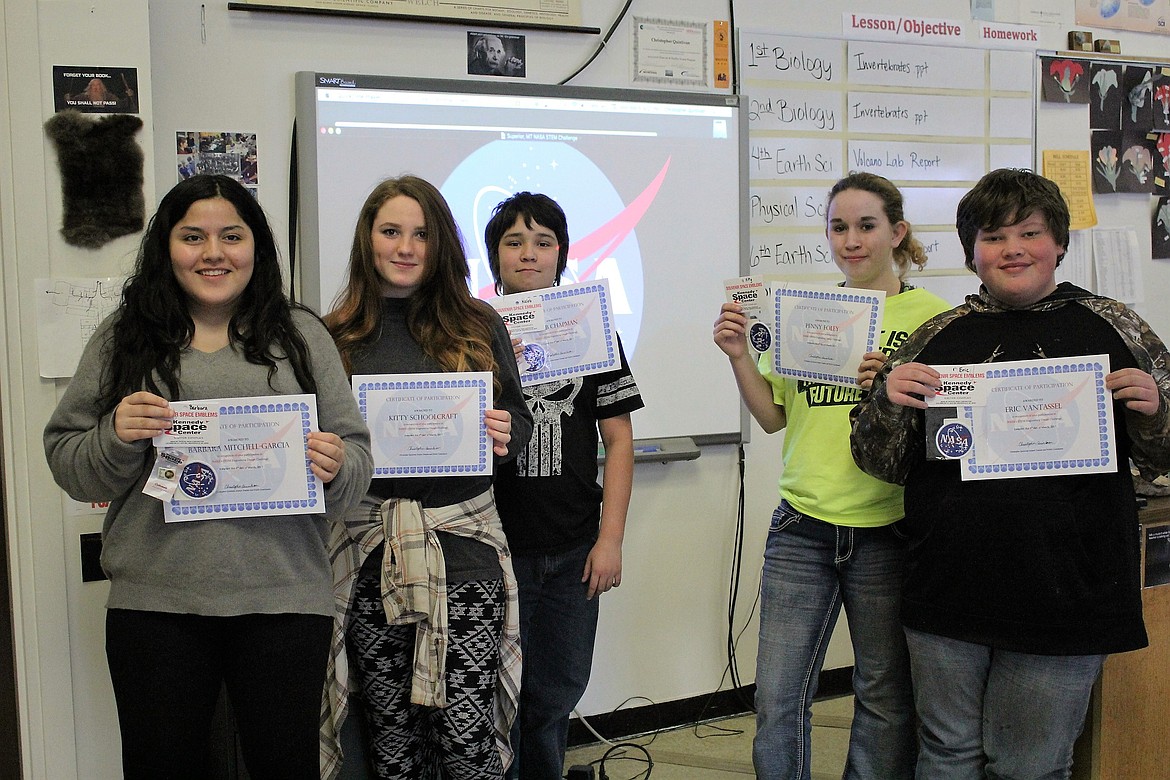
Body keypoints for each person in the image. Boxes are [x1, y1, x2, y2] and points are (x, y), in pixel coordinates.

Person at [42, 174, 373, 780]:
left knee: (285, 767)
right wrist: (116, 435)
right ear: (166, 246)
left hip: (284, 600)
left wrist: (335, 465)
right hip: (157, 606)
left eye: (232, 236)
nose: (213, 253)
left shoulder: (302, 336)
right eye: (193, 236)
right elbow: (67, 460)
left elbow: (356, 457)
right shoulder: (123, 339)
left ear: (258, 247)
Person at [850, 168, 1170, 780]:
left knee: (1029, 765)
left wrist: (1154, 413)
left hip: (1067, 590)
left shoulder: (1116, 327)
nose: (1014, 249)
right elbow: (880, 463)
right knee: (945, 755)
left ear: (1059, 243)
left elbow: (1163, 461)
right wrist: (888, 401)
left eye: (1030, 233)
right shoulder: (936, 336)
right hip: (948, 586)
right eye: (995, 237)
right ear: (973, 252)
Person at [713, 172, 950, 779]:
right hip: (801, 527)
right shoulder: (808, 314)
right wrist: (740, 357)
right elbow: (771, 417)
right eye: (838, 227)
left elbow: (947, 434)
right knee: (778, 696)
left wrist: (888, 392)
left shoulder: (936, 320)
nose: (851, 240)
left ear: (896, 233)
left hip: (887, 529)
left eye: (866, 226)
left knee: (882, 695)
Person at [322, 175, 533, 779]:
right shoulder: (334, 336)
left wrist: (503, 432)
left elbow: (518, 418)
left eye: (421, 234)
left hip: (466, 551)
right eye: (391, 231)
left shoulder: (477, 323)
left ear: (441, 244)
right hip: (369, 558)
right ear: (368, 240)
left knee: (467, 746)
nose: (406, 247)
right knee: (393, 748)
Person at [485, 193, 644, 780]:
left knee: (555, 693)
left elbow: (619, 440)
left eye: (544, 241)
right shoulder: (470, 331)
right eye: (514, 242)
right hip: (495, 549)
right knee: (493, 697)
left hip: (576, 548)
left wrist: (611, 540)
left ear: (562, 254)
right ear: (494, 256)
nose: (529, 254)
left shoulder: (591, 330)